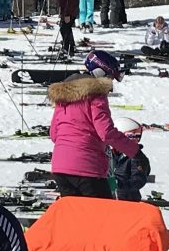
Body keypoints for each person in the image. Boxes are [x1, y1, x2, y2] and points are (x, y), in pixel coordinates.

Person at [47, 50, 142, 198]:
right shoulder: (96, 95)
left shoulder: (63, 96)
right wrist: (135, 152)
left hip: (60, 168)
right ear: (100, 73)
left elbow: (54, 134)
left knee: (76, 217)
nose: (110, 86)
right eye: (110, 78)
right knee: (102, 217)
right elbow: (106, 132)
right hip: (87, 169)